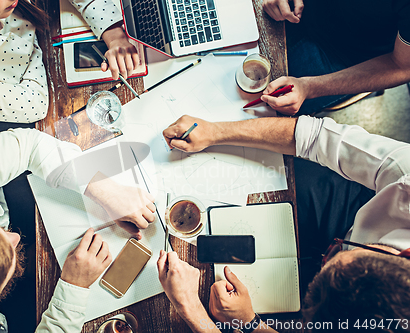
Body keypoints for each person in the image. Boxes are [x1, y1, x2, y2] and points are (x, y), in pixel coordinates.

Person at [157, 114, 410, 332]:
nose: (327, 259)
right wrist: (214, 131)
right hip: (351, 210)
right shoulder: (405, 178)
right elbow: (314, 138)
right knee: (283, 174)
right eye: (336, 255)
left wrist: (192, 308)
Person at [0, 128, 155, 333]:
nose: (16, 237)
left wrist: (106, 191)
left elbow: (28, 146)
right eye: (8, 256)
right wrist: (75, 287)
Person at [0, 0, 139, 136]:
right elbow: (34, 106)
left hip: (40, 72)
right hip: (2, 124)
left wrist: (114, 32)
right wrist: (36, 47)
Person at [258, 0, 410, 116]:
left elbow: (402, 66)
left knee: (259, 108)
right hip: (299, 8)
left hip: (344, 58)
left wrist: (308, 87)